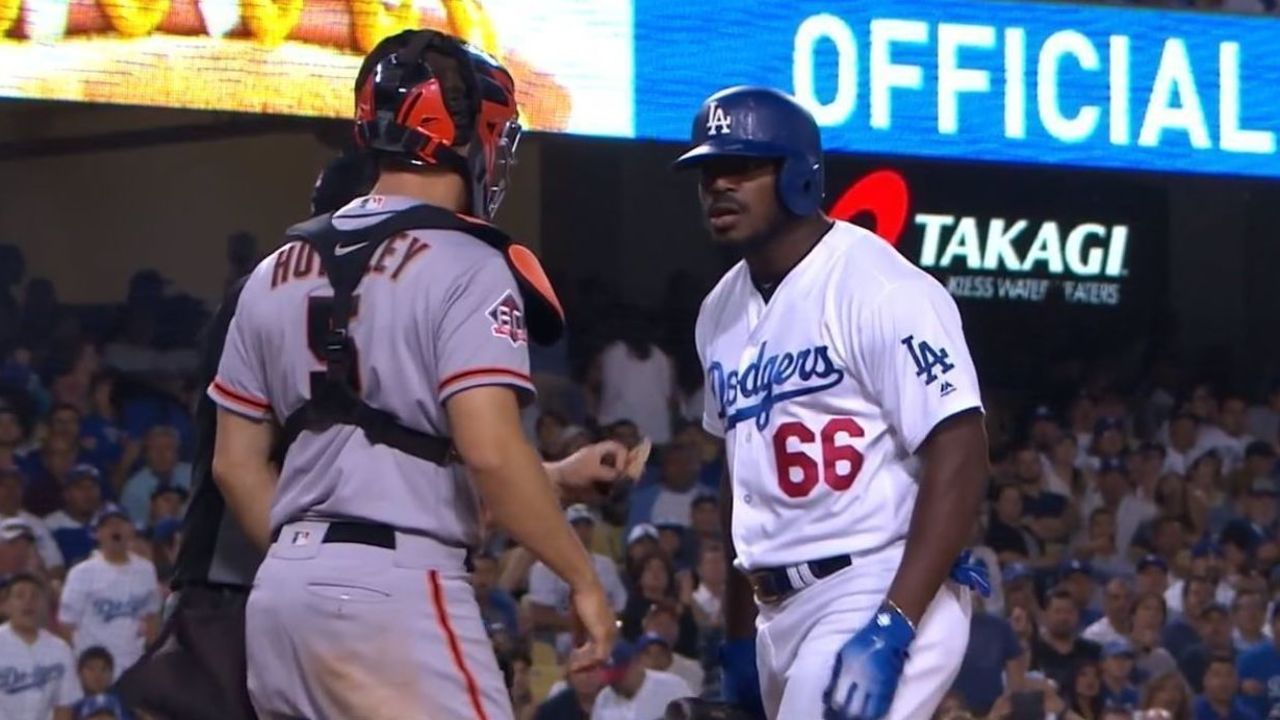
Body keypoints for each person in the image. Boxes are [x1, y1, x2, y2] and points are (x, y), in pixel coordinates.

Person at [206, 30, 621, 718]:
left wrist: (309, 565)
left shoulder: (272, 270)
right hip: (397, 587)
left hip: (280, 594)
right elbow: (489, 451)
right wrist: (583, 578)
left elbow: (235, 465)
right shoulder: (468, 262)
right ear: (466, 135)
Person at [676, 86, 990, 720]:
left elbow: (961, 449)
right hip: (777, 612)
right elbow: (743, 485)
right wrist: (738, 642)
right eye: (710, 170)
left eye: (742, 167)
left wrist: (895, 623)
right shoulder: (719, 311)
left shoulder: (878, 287)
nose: (719, 185)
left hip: (877, 584)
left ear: (798, 176)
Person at [58, 503, 161, 680]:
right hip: (96, 668)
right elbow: (66, 624)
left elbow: (152, 617)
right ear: (97, 533)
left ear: (131, 529)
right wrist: (78, 666)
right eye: (107, 525)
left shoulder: (146, 569)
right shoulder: (82, 572)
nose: (115, 529)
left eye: (120, 523)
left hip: (133, 663)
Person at [0, 573, 82, 720]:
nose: (28, 602)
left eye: (35, 596)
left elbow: (64, 706)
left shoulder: (60, 649)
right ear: (5, 605)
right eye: (20, 596)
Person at [590, 641, 691, 720]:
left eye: (621, 677)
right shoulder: (604, 698)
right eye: (613, 681)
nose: (617, 685)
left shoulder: (672, 686)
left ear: (636, 663)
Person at [1195, 654, 1261, 720]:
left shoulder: (1248, 716)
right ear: (1205, 680)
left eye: (1229, 675)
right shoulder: (1191, 712)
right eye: (1217, 675)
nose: (1224, 681)